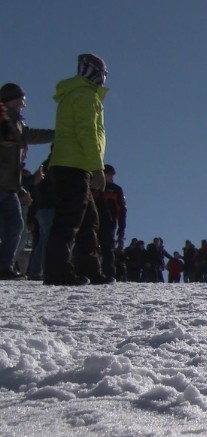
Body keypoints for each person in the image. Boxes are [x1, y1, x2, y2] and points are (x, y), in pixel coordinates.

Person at [45, 54, 112, 285]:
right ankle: (58, 273)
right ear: (93, 72)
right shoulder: (85, 96)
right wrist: (97, 168)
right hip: (73, 165)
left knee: (88, 220)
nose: (104, 78)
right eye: (103, 73)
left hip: (73, 164)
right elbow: (87, 132)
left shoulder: (79, 94)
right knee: (69, 219)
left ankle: (90, 270)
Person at [1, 83, 54, 279]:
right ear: (10, 100)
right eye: (20, 101)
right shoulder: (3, 119)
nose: (23, 105)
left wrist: (58, 134)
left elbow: (32, 136)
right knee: (13, 225)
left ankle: (4, 267)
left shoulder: (18, 126)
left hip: (9, 188)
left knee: (15, 225)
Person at [93, 164, 127, 279]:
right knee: (90, 246)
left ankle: (109, 274)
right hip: (92, 222)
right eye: (110, 174)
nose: (112, 177)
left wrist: (121, 229)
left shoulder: (116, 189)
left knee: (108, 248)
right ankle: (91, 272)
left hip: (109, 223)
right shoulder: (92, 187)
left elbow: (121, 210)